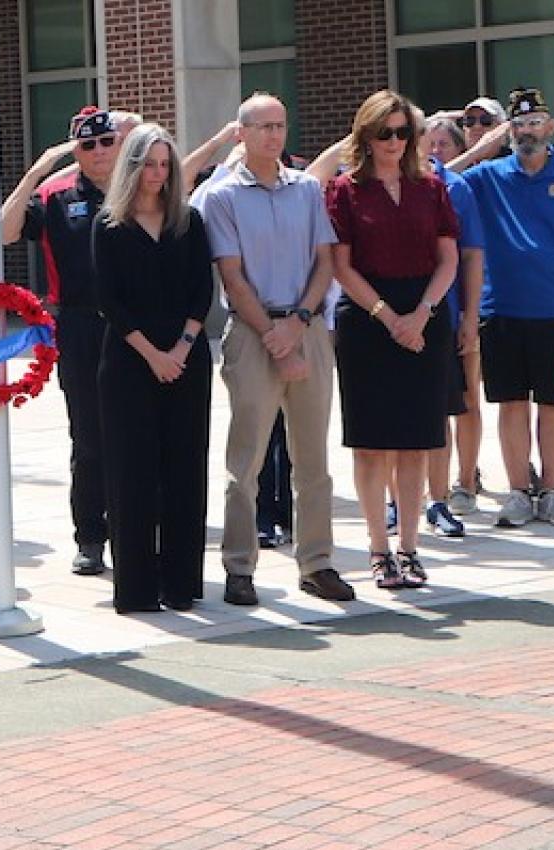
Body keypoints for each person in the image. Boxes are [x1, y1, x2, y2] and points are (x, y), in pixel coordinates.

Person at [193, 93, 352, 606]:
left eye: (280, 125)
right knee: (247, 462)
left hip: (307, 328)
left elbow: (325, 261)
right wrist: (276, 337)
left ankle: (317, 563)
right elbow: (233, 279)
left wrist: (301, 321)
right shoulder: (222, 197)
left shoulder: (306, 189)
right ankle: (240, 567)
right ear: (240, 134)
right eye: (263, 127)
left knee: (314, 461)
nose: (273, 136)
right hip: (251, 332)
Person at [460, 87, 554, 530]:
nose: (527, 132)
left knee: (552, 401)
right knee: (510, 403)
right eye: (519, 125)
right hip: (501, 309)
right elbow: (435, 179)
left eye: (534, 123)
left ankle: (551, 489)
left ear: (550, 128)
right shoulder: (487, 176)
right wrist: (481, 150)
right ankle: (518, 491)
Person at [328, 93, 461, 588]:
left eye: (402, 131)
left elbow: (449, 257)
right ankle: (378, 549)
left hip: (425, 314)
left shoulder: (431, 187)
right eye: (384, 132)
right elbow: (341, 266)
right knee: (371, 444)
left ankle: (410, 547)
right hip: (367, 319)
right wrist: (388, 318)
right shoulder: (345, 190)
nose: (394, 141)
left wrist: (422, 313)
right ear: (366, 135)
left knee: (415, 441)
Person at [88, 124, 214, 613]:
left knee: (184, 469)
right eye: (149, 164)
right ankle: (138, 589)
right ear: (132, 166)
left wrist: (179, 351)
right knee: (131, 473)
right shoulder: (109, 225)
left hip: (186, 360)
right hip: (128, 361)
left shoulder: (190, 221)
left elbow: (202, 293)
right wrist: (153, 355)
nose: (158, 174)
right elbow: (109, 302)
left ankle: (181, 584)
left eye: (165, 165)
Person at [0, 106, 120, 575]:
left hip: (138, 326)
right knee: (89, 439)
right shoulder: (54, 195)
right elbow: (6, 231)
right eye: (86, 145)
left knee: (139, 433)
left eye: (105, 141)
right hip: (80, 324)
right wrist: (36, 172)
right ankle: (90, 537)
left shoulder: (141, 186)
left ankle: (138, 529)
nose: (98, 152)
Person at [420, 112, 489, 538]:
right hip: (393, 319)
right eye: (429, 141)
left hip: (445, 315)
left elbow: (470, 256)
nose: (433, 149)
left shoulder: (454, 187)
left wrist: (469, 316)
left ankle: (447, 493)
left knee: (452, 406)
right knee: (404, 413)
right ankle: (399, 500)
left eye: (443, 143)